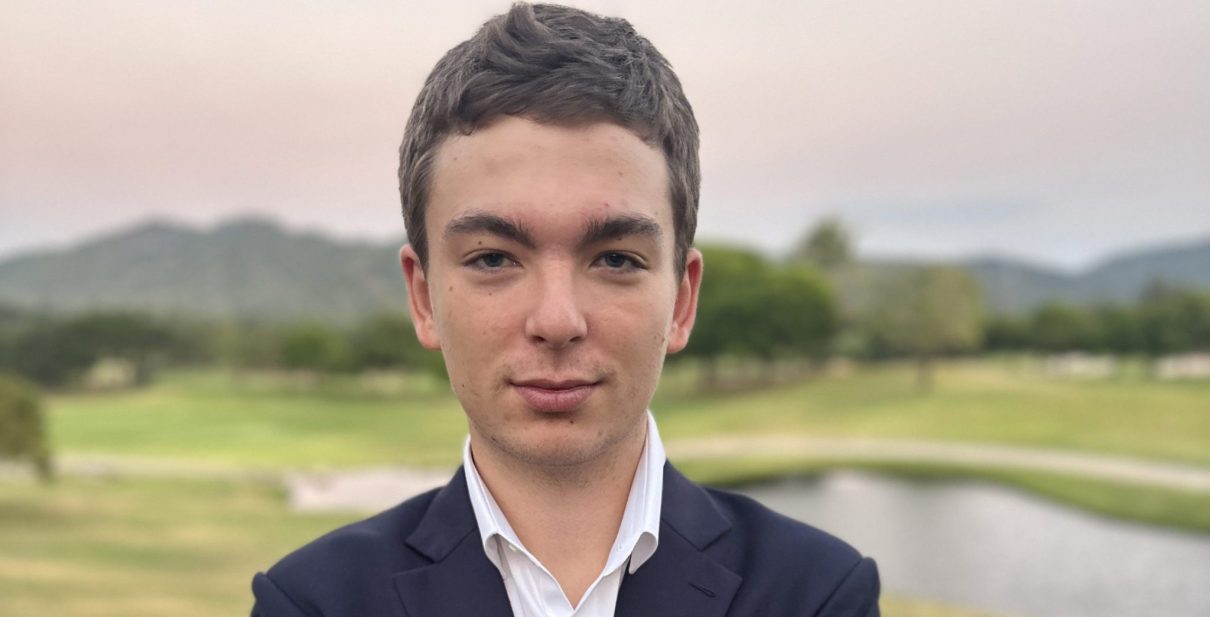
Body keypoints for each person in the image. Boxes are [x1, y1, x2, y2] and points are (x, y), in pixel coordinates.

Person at [250, 4, 879, 616]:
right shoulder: (314, 603)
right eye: (493, 259)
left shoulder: (815, 594)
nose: (556, 321)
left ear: (683, 300)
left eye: (616, 259)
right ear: (423, 298)